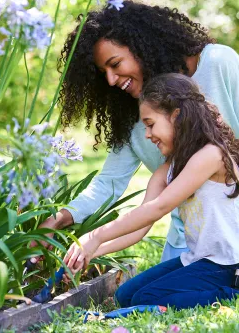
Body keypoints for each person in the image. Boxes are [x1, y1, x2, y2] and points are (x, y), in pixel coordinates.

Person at [31, 0, 239, 263]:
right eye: (103, 72)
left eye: (115, 64)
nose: (110, 79)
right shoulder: (132, 117)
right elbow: (108, 183)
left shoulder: (217, 64)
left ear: (142, 47)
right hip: (189, 237)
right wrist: (59, 219)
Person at [63, 74, 239, 309]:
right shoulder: (169, 169)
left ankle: (232, 293)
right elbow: (141, 225)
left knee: (146, 299)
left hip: (229, 264)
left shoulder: (211, 155)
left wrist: (95, 236)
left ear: (176, 116)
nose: (147, 134)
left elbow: (159, 207)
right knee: (125, 296)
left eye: (150, 124)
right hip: (200, 260)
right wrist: (91, 252)